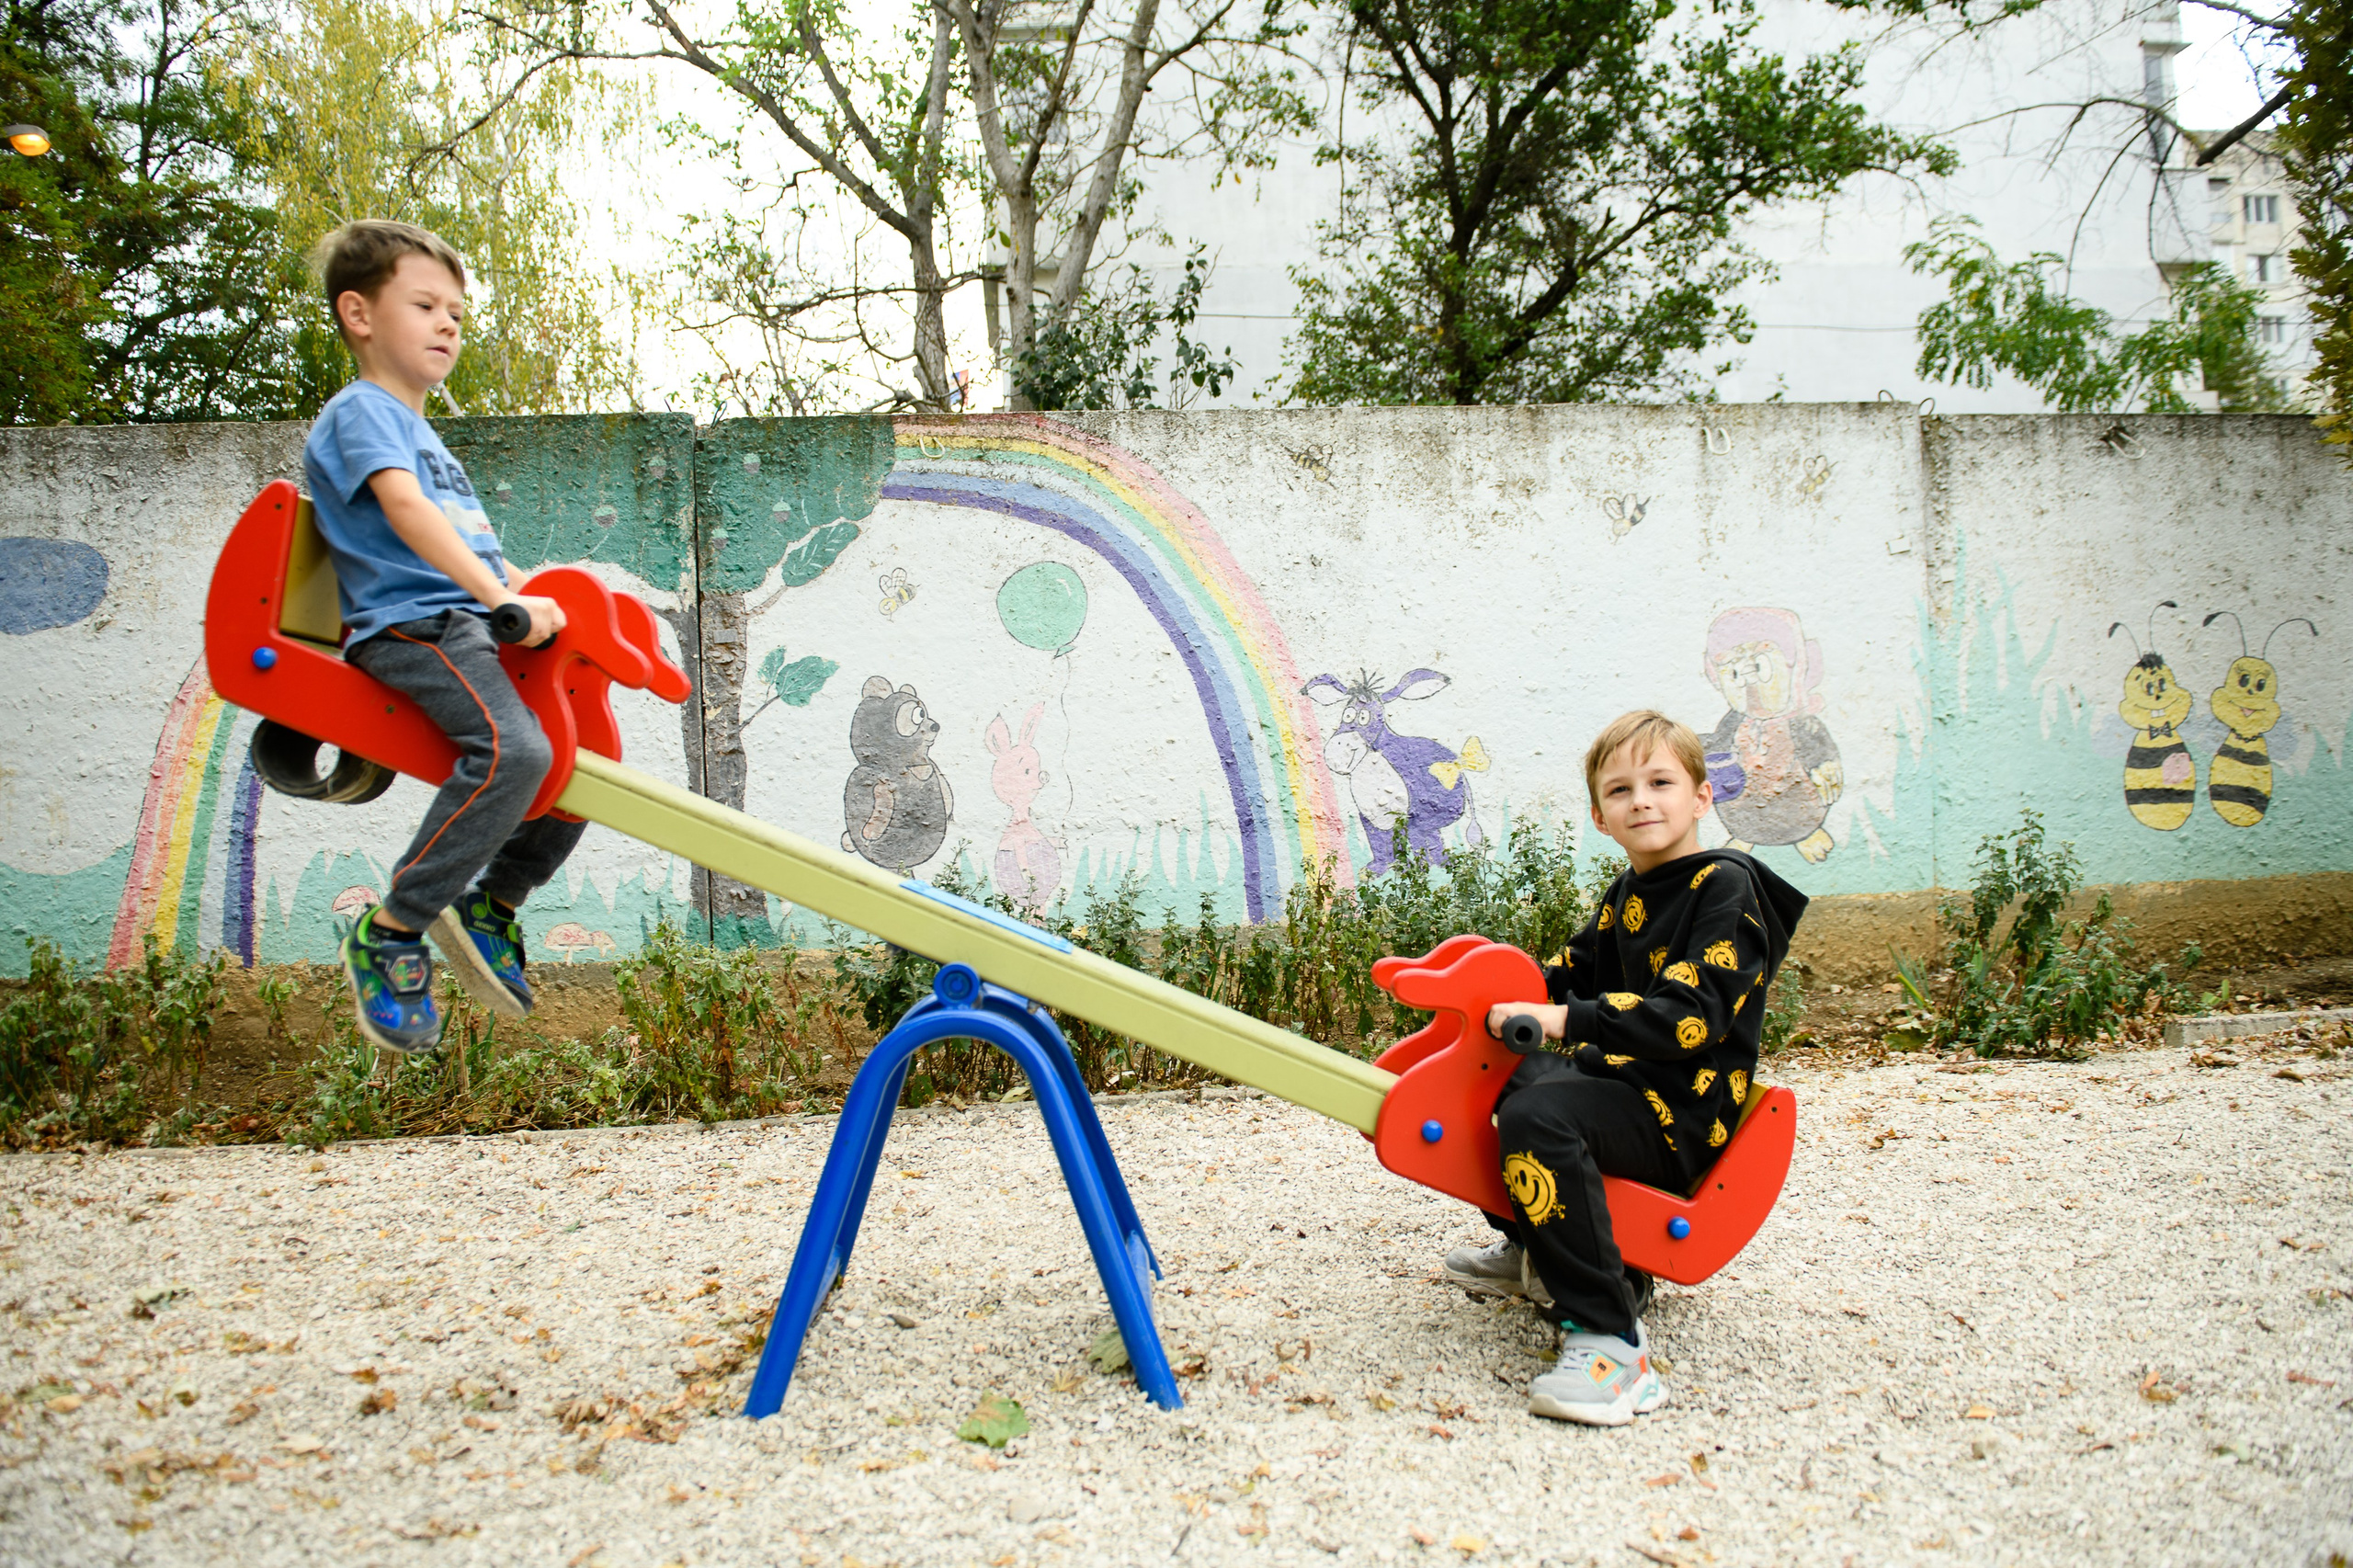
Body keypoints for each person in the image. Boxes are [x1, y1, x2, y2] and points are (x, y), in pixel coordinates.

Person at [1443, 710, 1807, 1426]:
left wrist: (1563, 1021)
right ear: (1600, 818)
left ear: (1702, 798)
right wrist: (1481, 999)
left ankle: (1610, 1340)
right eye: (1620, 790)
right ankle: (1541, 1251)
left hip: (1677, 1114)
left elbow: (1687, 1017)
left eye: (1661, 781)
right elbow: (1568, 974)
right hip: (1626, 1090)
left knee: (1536, 1114)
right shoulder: (1627, 896)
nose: (1641, 799)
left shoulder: (1725, 890)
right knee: (1495, 1080)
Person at [301, 220, 574, 1055]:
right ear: (359, 313)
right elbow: (408, 513)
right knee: (513, 755)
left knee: (573, 765)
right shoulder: (363, 415)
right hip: (412, 630)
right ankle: (393, 930)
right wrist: (499, 598)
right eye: (424, 304)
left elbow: (471, 540)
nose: (448, 323)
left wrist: (528, 592)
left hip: (464, 628)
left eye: (456, 309)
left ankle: (492, 901)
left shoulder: (421, 432)